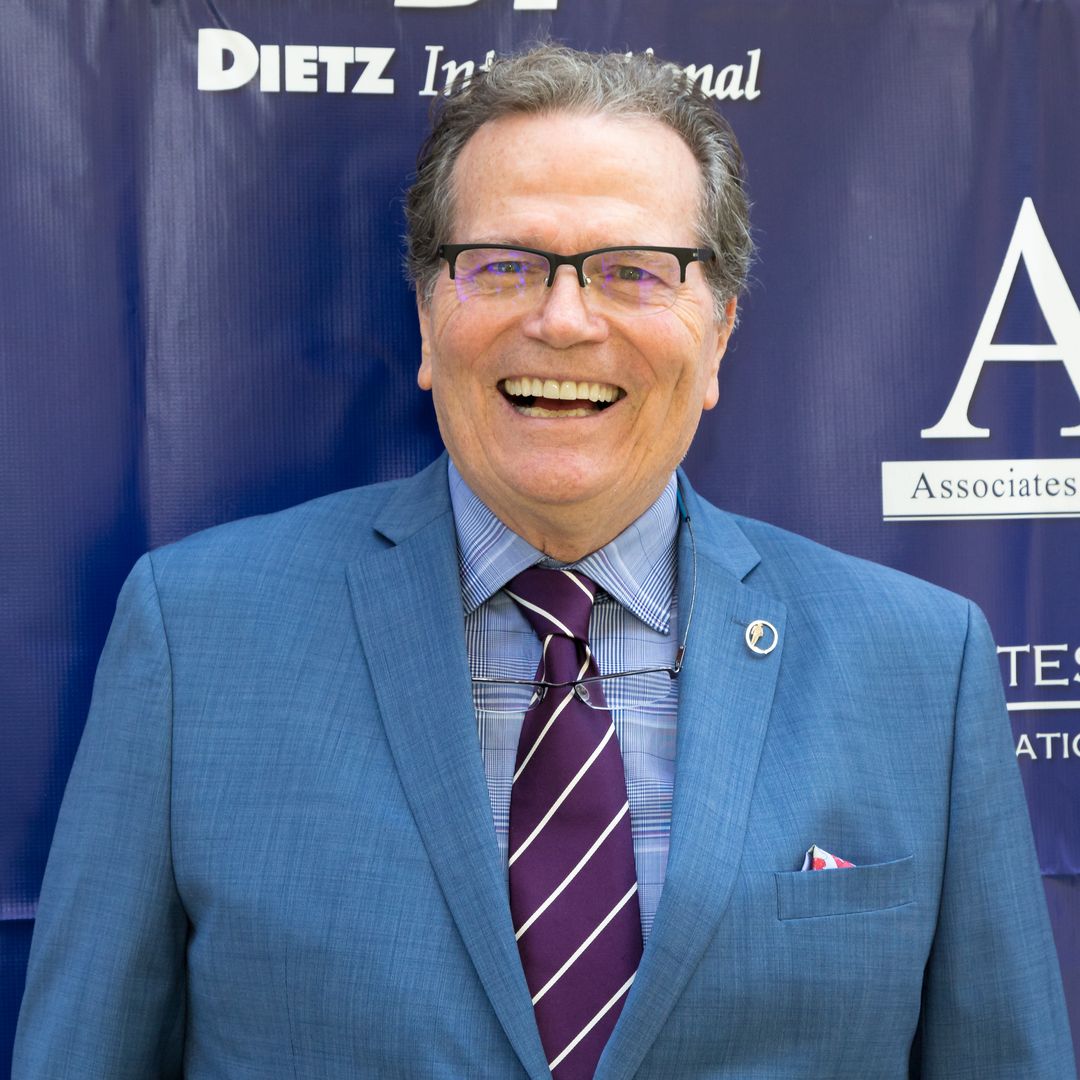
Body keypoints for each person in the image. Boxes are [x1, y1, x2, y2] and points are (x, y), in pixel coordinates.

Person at [13, 44, 1075, 1080]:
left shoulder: (919, 665)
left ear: (720, 335)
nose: (564, 320)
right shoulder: (198, 634)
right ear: (430, 321)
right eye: (505, 265)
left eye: (632, 271)